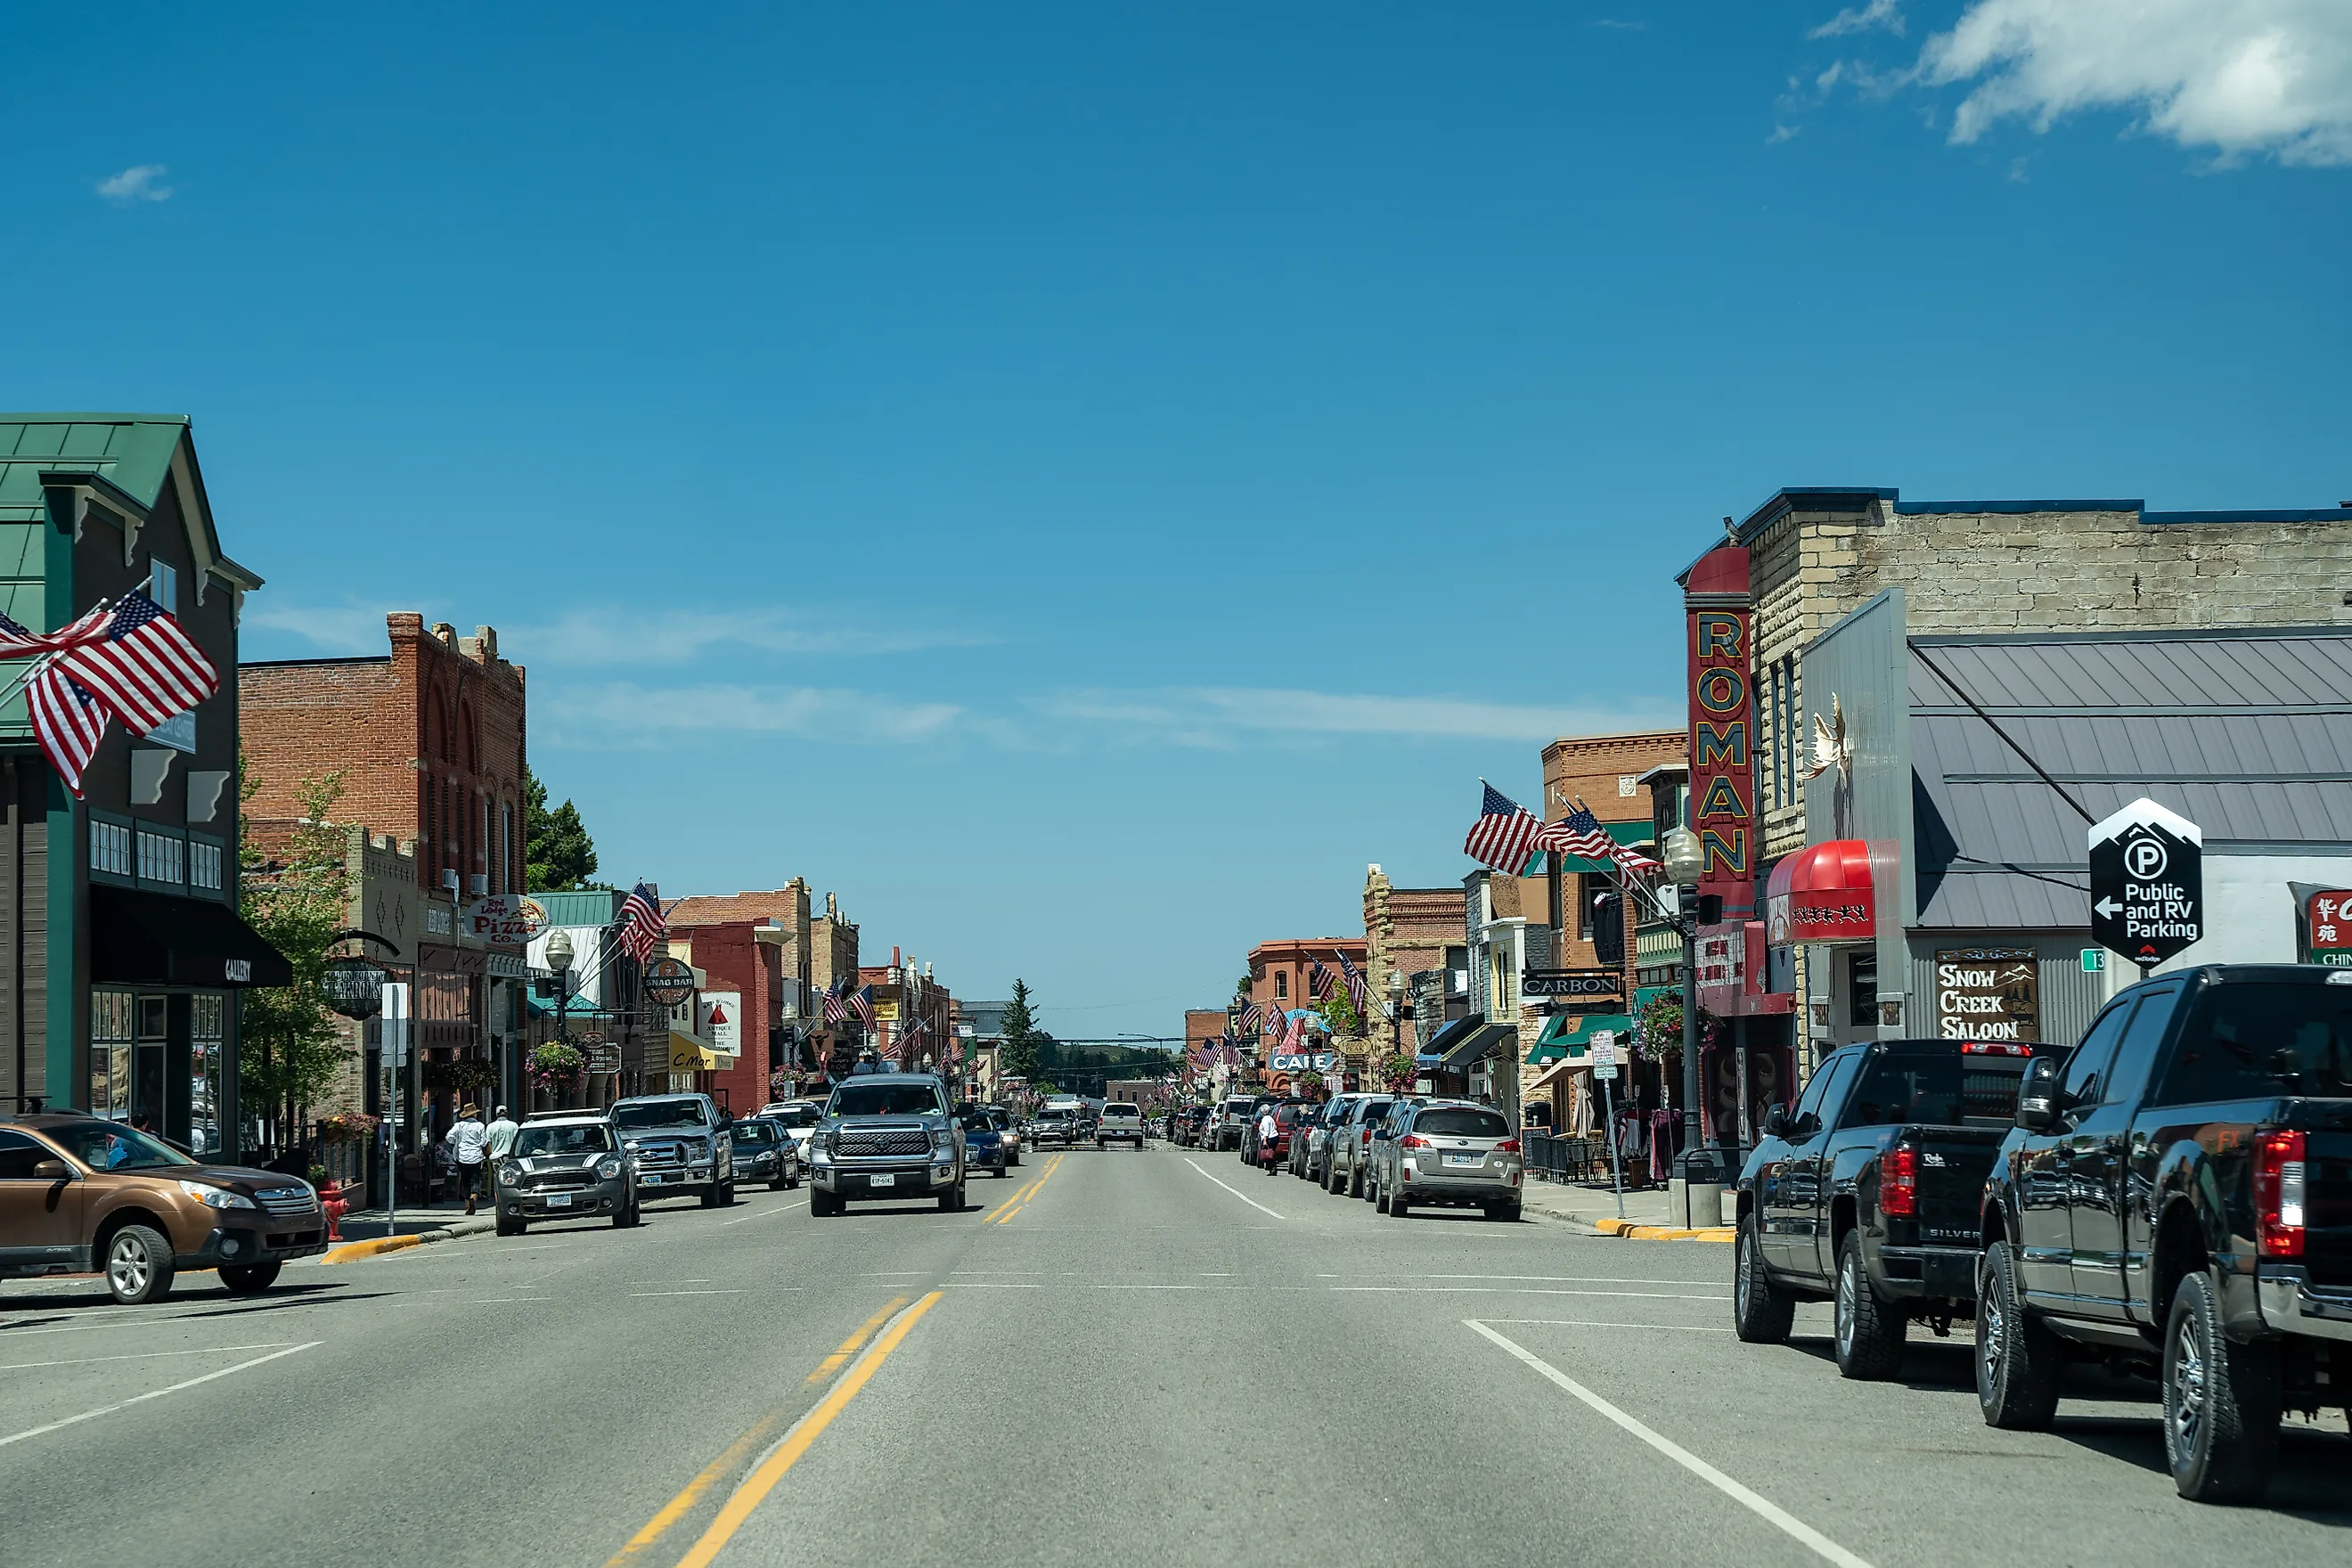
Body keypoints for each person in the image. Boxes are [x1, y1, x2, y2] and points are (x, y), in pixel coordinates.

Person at [444, 1103, 491, 1215]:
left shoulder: (459, 1125)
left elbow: (449, 1137)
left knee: (465, 1180)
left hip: (462, 1157)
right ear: (474, 1114)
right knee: (475, 1179)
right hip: (475, 1156)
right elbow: (484, 1142)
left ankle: (467, 1203)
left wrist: (455, 1143)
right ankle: (473, 1197)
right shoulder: (480, 1126)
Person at [483, 1104, 519, 1197]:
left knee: (497, 1177)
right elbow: (518, 1142)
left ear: (496, 1114)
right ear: (506, 1113)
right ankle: (510, 1195)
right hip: (509, 1156)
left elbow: (488, 1143)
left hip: (495, 1157)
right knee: (511, 1176)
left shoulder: (490, 1127)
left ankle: (498, 1196)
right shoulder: (514, 1126)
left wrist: (488, 1155)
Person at [1256, 1106, 1280, 1174]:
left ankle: (1273, 1168)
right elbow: (1275, 1126)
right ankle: (1271, 1168)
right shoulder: (1270, 1118)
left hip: (1270, 1138)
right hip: (1274, 1137)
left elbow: (1266, 1130)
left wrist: (1264, 1141)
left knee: (1266, 1154)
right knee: (1269, 1153)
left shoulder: (1265, 1119)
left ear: (1263, 1112)